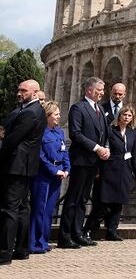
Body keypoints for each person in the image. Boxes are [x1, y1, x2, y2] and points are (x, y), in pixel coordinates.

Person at [59, 76, 110, 249]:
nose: (102, 94)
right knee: (73, 198)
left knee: (82, 199)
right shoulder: (78, 108)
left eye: (103, 91)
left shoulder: (100, 110)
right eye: (99, 90)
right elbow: (76, 133)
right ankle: (65, 236)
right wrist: (97, 148)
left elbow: (105, 133)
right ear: (89, 90)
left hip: (94, 161)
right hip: (81, 159)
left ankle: (77, 233)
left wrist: (107, 147)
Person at [0, 79, 46, 265]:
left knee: (9, 209)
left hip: (16, 166)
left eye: (24, 91)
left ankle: (4, 253)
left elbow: (11, 140)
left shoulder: (30, 113)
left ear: (35, 93)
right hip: (24, 166)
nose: (19, 93)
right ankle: (21, 249)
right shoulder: (28, 110)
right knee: (21, 209)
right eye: (18, 90)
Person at [87, 106, 136, 241]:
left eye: (129, 116)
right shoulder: (111, 131)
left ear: (132, 118)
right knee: (104, 204)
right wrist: (98, 170)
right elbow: (104, 150)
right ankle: (88, 229)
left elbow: (134, 155)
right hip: (110, 168)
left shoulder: (132, 133)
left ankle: (112, 231)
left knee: (119, 203)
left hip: (125, 170)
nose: (127, 117)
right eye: (124, 115)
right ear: (119, 116)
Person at [28, 101, 69, 254]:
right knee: (39, 208)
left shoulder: (59, 132)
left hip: (57, 174)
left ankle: (43, 242)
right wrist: (53, 170)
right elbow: (40, 155)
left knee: (49, 210)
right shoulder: (40, 132)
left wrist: (66, 168)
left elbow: (64, 151)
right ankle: (34, 243)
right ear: (48, 116)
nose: (59, 117)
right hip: (44, 174)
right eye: (56, 114)